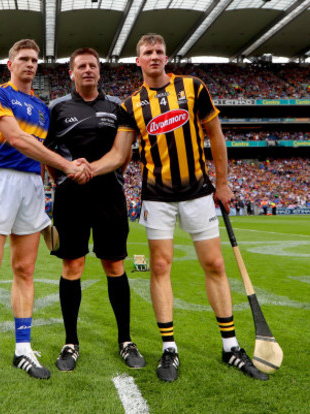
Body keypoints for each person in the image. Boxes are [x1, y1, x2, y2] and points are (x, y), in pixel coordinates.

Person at [89, 33, 268, 382]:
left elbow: (215, 134)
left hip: (199, 192)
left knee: (214, 264)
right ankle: (169, 348)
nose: (153, 56)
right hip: (157, 197)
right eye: (146, 53)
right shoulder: (130, 105)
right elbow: (118, 155)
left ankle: (230, 345)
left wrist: (224, 182)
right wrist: (86, 168)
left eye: (158, 51)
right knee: (159, 266)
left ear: (165, 56)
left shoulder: (193, 87)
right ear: (137, 61)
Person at [0, 38, 91, 395]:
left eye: (35, 60)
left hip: (32, 187)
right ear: (10, 63)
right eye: (24, 58)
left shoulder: (42, 108)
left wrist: (61, 183)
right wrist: (67, 165)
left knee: (25, 270)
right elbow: (17, 139)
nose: (30, 64)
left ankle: (22, 350)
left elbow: (43, 153)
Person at [44, 47, 145, 372]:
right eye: (81, 66)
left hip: (109, 194)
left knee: (114, 265)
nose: (88, 70)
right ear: (71, 73)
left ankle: (125, 340)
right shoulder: (56, 108)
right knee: (71, 266)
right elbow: (46, 154)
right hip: (70, 196)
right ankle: (70, 342)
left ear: (99, 72)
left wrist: (91, 170)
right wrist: (67, 176)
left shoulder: (117, 107)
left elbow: (123, 153)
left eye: (93, 66)